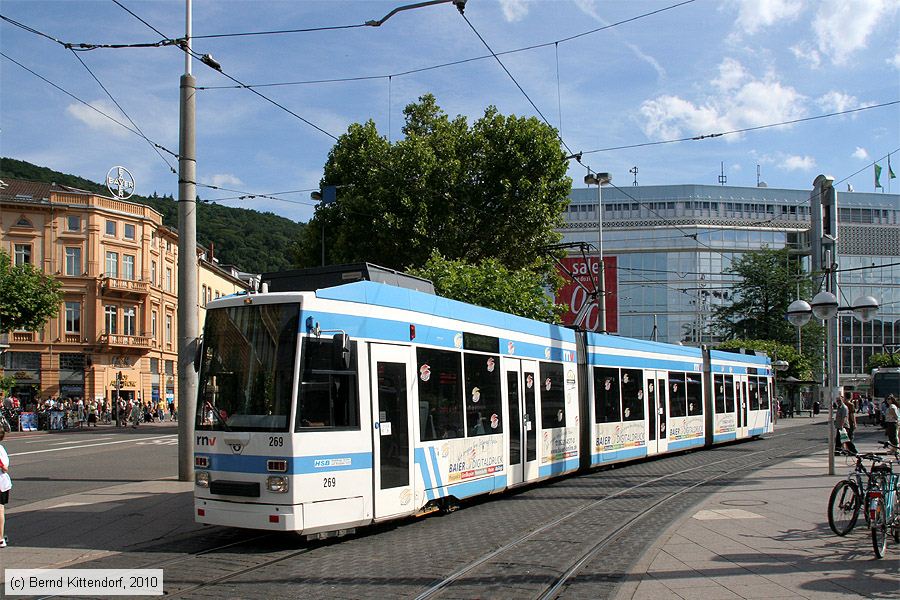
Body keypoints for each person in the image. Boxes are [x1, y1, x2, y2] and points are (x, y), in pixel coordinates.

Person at [0, 429, 10, 548]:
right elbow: (5, 468)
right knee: (0, 509)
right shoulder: (1, 449)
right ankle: (1, 538)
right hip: (1, 483)